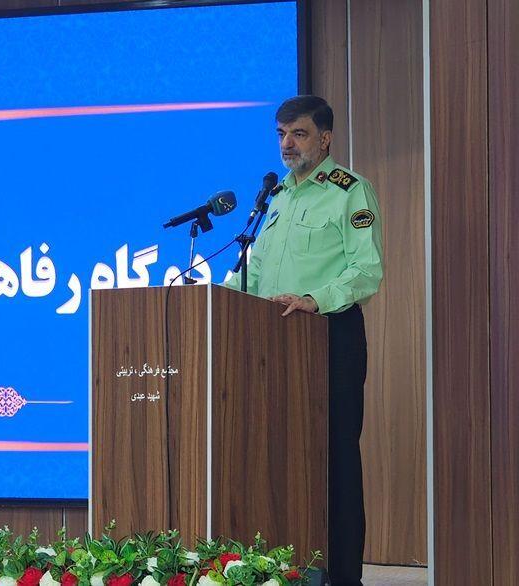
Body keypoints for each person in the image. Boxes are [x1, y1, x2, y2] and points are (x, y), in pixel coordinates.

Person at [226, 95, 383, 586]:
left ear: (325, 138)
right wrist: (212, 298)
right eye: (281, 134)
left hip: (329, 338)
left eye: (298, 133)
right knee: (276, 458)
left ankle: (343, 577)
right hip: (273, 346)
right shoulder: (277, 197)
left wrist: (315, 299)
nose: (287, 144)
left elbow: (367, 270)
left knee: (334, 462)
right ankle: (288, 571)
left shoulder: (349, 191)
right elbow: (254, 273)